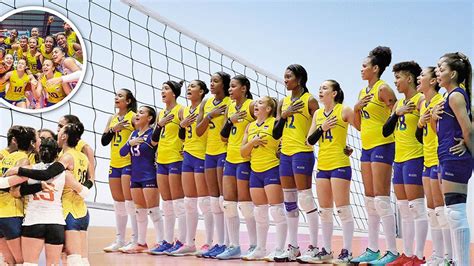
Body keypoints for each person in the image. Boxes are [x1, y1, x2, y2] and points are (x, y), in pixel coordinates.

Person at [351, 46, 399, 265]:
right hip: (367, 147)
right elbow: (360, 126)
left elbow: (397, 113)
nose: (361, 69)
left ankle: (392, 251)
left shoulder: (383, 88)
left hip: (383, 146)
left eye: (364, 66)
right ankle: (372, 249)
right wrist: (357, 108)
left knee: (381, 199)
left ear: (376, 68)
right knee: (370, 201)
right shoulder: (363, 93)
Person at [272, 64, 319, 263]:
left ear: (299, 79)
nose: (285, 80)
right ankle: (293, 247)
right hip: (285, 154)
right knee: (289, 202)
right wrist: (284, 114)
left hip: (303, 152)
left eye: (289, 76)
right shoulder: (283, 102)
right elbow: (276, 132)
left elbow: (320, 125)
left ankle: (316, 247)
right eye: (284, 76)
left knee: (306, 199)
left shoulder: (310, 100)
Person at [382, 61, 426, 265]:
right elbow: (386, 131)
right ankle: (407, 254)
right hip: (398, 161)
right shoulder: (399, 104)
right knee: (403, 209)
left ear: (409, 78)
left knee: (417, 208)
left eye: (398, 78)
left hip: (415, 158)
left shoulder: (421, 99)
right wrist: (396, 113)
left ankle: (418, 256)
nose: (396, 82)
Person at [306, 80, 355, 263]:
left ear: (334, 93)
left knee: (343, 210)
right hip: (323, 166)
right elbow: (310, 141)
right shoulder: (318, 113)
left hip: (340, 163)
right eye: (320, 88)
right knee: (324, 211)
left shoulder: (344, 110)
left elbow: (361, 128)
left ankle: (347, 252)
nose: (320, 90)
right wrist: (322, 127)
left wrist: (349, 147)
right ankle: (326, 250)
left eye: (325, 88)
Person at [432, 52, 472, 265]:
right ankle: (458, 261)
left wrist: (469, 150)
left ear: (453, 73)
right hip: (446, 156)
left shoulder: (456, 95)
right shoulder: (447, 97)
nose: (438, 72)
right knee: (450, 212)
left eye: (441, 68)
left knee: (455, 212)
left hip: (456, 158)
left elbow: (468, 129)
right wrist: (432, 117)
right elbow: (442, 131)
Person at [240, 96, 287, 261]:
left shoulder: (276, 123)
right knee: (259, 212)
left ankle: (280, 249)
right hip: (255, 172)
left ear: (268, 109)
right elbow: (243, 152)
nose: (255, 105)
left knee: (277, 211)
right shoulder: (250, 126)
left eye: (260, 103)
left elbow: (284, 144)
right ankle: (260, 248)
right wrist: (253, 142)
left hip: (272, 170)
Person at [416, 66, 453, 265]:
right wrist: (421, 122)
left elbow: (443, 133)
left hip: (440, 160)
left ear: (432, 81)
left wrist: (428, 121)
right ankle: (438, 256)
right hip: (427, 160)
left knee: (442, 210)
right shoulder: (424, 104)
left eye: (422, 75)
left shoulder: (441, 101)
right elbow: (421, 135)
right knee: (432, 212)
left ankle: (449, 257)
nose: (418, 78)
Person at [171, 80, 212, 256]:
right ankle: (189, 242)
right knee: (189, 202)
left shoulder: (207, 107)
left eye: (193, 87)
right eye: (188, 87)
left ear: (202, 91)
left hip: (202, 155)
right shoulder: (185, 111)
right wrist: (182, 125)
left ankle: (210, 243)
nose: (189, 89)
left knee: (205, 202)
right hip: (187, 155)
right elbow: (183, 134)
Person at [218, 75, 257, 259]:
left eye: (233, 86)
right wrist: (230, 120)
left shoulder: (252, 105)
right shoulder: (230, 107)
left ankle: (255, 244)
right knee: (228, 204)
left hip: (245, 159)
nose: (230, 90)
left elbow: (263, 125)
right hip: (230, 158)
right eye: (230, 87)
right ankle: (234, 246)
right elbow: (223, 136)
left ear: (244, 88)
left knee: (246, 205)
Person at [195, 72, 231, 258]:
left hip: (224, 152)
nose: (211, 84)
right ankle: (219, 242)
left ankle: (227, 243)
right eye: (211, 81)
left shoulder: (230, 102)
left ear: (224, 85)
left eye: (215, 81)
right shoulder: (206, 103)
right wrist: (209, 115)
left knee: (224, 201)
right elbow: (198, 131)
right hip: (209, 153)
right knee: (213, 200)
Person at [119, 106, 163, 254]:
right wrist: (129, 143)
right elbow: (122, 152)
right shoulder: (133, 133)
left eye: (141, 113)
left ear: (149, 118)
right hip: (135, 176)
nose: (137, 114)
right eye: (138, 112)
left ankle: (161, 242)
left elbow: (155, 145)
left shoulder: (152, 133)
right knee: (140, 212)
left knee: (154, 211)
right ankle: (141, 243)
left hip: (149, 175)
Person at [149, 80, 186, 255]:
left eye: (166, 89)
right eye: (162, 88)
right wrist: (160, 124)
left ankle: (183, 241)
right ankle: (167, 241)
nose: (162, 92)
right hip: (161, 159)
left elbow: (187, 133)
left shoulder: (181, 110)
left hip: (176, 159)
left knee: (178, 203)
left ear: (174, 93)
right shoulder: (161, 114)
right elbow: (153, 141)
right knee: (168, 204)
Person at [101, 89, 138, 253]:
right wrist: (113, 129)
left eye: (120, 96)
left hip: (128, 162)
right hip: (114, 163)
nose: (116, 98)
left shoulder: (134, 117)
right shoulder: (112, 119)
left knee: (130, 202)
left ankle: (136, 239)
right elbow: (103, 141)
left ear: (128, 101)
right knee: (118, 203)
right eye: (116, 95)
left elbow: (142, 136)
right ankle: (119, 240)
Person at [0, 126, 37, 265]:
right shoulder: (24, 160)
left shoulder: (5, 158)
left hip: (1, 212)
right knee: (21, 261)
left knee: (9, 261)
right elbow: (17, 186)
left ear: (15, 141)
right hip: (12, 213)